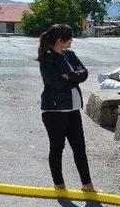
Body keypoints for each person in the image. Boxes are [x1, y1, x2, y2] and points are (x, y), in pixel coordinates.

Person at [37, 24, 95, 192]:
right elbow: (56, 83)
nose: (72, 41)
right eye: (69, 38)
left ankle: (87, 185)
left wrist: (70, 76)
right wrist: (73, 78)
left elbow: (84, 73)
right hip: (54, 112)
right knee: (57, 148)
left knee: (80, 149)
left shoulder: (70, 55)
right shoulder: (47, 59)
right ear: (59, 41)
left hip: (73, 110)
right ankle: (59, 185)